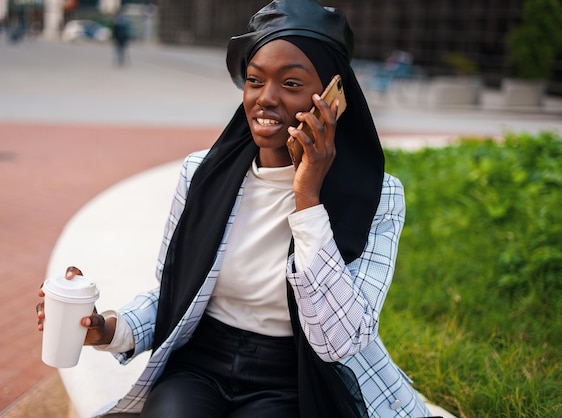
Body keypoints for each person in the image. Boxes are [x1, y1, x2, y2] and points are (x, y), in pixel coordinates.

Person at [37, 0, 435, 416]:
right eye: (254, 79)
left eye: (292, 84)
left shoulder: (377, 198)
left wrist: (308, 198)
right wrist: (105, 329)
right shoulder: (203, 175)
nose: (266, 98)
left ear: (333, 98)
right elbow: (174, 293)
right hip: (201, 364)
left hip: (295, 374)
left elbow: (339, 341)